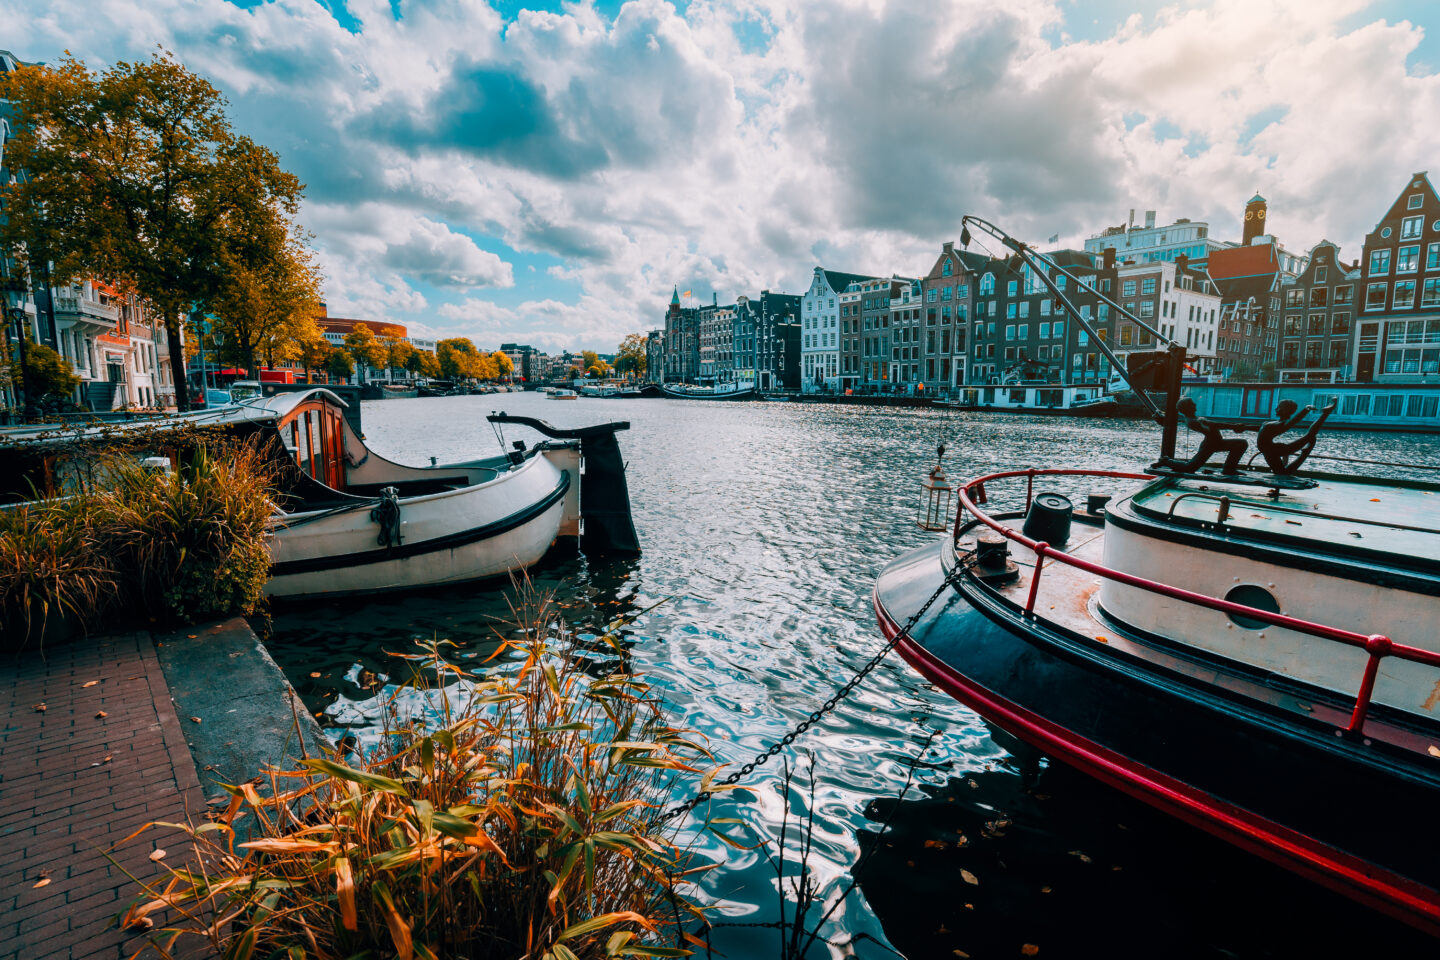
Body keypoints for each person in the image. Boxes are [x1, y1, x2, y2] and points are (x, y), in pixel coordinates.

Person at [1162, 397, 1249, 474]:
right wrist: (1233, 426)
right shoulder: (1192, 421)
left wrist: (1233, 426)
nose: (1194, 404)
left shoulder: (1194, 418)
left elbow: (1213, 425)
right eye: (1192, 404)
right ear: (1187, 408)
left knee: (1241, 444)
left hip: (1216, 442)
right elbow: (1214, 425)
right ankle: (1166, 461)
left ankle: (1229, 469)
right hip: (1210, 445)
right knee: (1189, 468)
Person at [1256, 399, 1337, 474]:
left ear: (1284, 410)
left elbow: (1295, 420)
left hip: (1273, 450)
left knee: (1309, 435)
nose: (1275, 409)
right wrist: (1246, 427)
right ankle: (1325, 413)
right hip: (1270, 450)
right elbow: (1260, 430)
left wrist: (1306, 409)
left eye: (1278, 407)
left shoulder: (1282, 424)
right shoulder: (1271, 423)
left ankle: (1325, 414)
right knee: (1281, 472)